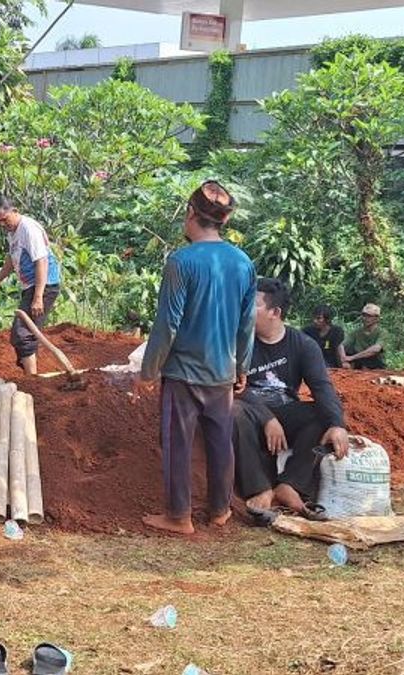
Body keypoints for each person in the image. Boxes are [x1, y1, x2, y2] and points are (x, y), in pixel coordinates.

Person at [139, 180, 256, 535]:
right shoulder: (242, 262)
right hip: (222, 372)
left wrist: (149, 369)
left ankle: (178, 515)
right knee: (221, 441)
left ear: (191, 214)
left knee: (177, 443)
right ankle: (219, 510)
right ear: (222, 221)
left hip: (183, 374)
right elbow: (246, 322)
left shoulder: (181, 261)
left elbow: (167, 324)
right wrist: (242, 366)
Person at [234, 279, 349, 522]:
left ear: (275, 312)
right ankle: (260, 489)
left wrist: (338, 424)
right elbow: (230, 385)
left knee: (322, 414)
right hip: (249, 411)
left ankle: (290, 485)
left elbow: (322, 387)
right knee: (233, 411)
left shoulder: (303, 345)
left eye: (252, 305)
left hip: (285, 411)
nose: (243, 308)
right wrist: (267, 418)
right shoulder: (238, 341)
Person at [0, 195, 63, 376]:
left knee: (23, 334)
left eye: (5, 220)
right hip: (31, 287)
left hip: (44, 285)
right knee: (21, 335)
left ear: (15, 211)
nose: (3, 225)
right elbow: (12, 260)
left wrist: (38, 297)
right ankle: (32, 375)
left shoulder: (28, 228)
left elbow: (41, 261)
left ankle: (32, 380)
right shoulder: (13, 233)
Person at [341, 304, 385, 370]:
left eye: (369, 316)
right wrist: (343, 358)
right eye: (364, 315)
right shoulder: (356, 332)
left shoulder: (382, 332)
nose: (365, 318)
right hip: (358, 362)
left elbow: (376, 349)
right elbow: (342, 345)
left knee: (370, 362)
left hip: (374, 363)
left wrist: (352, 357)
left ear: (376, 318)